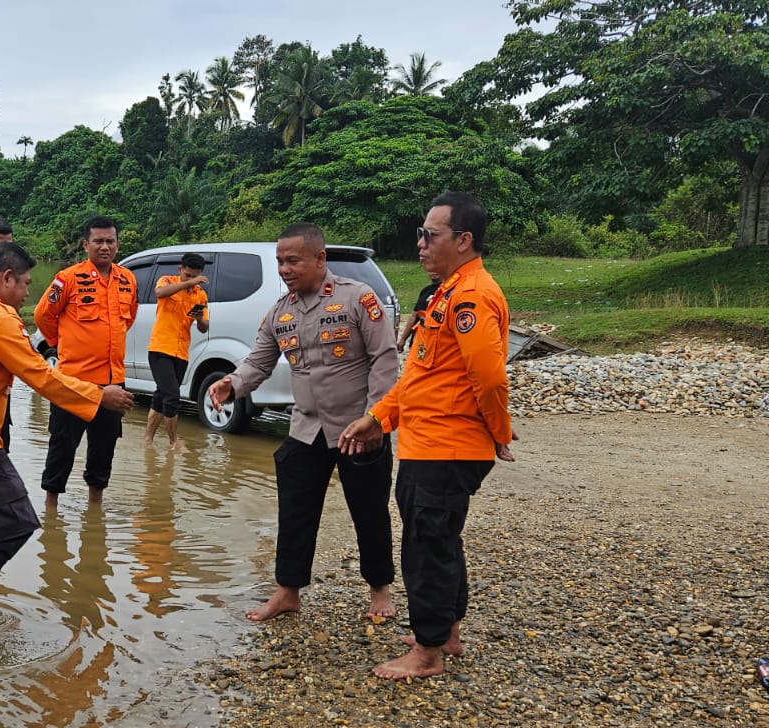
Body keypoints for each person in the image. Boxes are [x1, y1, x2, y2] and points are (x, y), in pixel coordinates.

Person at [339, 191, 516, 681]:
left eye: (429, 235)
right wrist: (377, 418)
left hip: (446, 447)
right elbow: (420, 378)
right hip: (427, 443)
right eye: (420, 233)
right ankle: (445, 632)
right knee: (439, 540)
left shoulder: (472, 296)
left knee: (426, 546)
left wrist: (499, 433)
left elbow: (490, 378)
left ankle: (428, 654)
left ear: (463, 240)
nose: (419, 243)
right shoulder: (446, 291)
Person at [0, 242, 135, 637]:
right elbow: (40, 375)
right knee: (17, 522)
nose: (26, 294)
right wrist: (98, 395)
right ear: (5, 279)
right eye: (24, 284)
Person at [207, 223, 400, 623]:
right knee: (295, 512)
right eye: (280, 261)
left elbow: (384, 359)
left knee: (369, 512)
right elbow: (258, 362)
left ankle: (380, 590)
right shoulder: (281, 312)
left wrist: (376, 418)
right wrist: (232, 384)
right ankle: (287, 591)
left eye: (293, 260)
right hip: (306, 428)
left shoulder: (358, 299)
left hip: (357, 429)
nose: (284, 268)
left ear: (319, 259)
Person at [32, 215, 138, 510]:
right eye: (98, 241)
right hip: (72, 383)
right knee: (62, 447)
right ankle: (51, 510)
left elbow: (127, 320)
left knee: (104, 450)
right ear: (86, 244)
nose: (105, 247)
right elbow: (43, 316)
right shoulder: (68, 278)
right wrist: (62, 344)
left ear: (117, 243)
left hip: (113, 382)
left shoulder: (127, 280)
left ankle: (95, 509)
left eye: (110, 241)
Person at [144, 252, 210, 450]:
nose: (190, 280)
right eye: (187, 275)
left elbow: (204, 327)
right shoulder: (167, 281)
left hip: (181, 353)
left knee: (161, 395)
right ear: (180, 270)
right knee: (172, 396)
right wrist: (187, 283)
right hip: (160, 349)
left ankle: (148, 439)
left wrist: (199, 318)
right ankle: (173, 442)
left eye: (195, 276)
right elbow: (160, 293)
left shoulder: (200, 295)